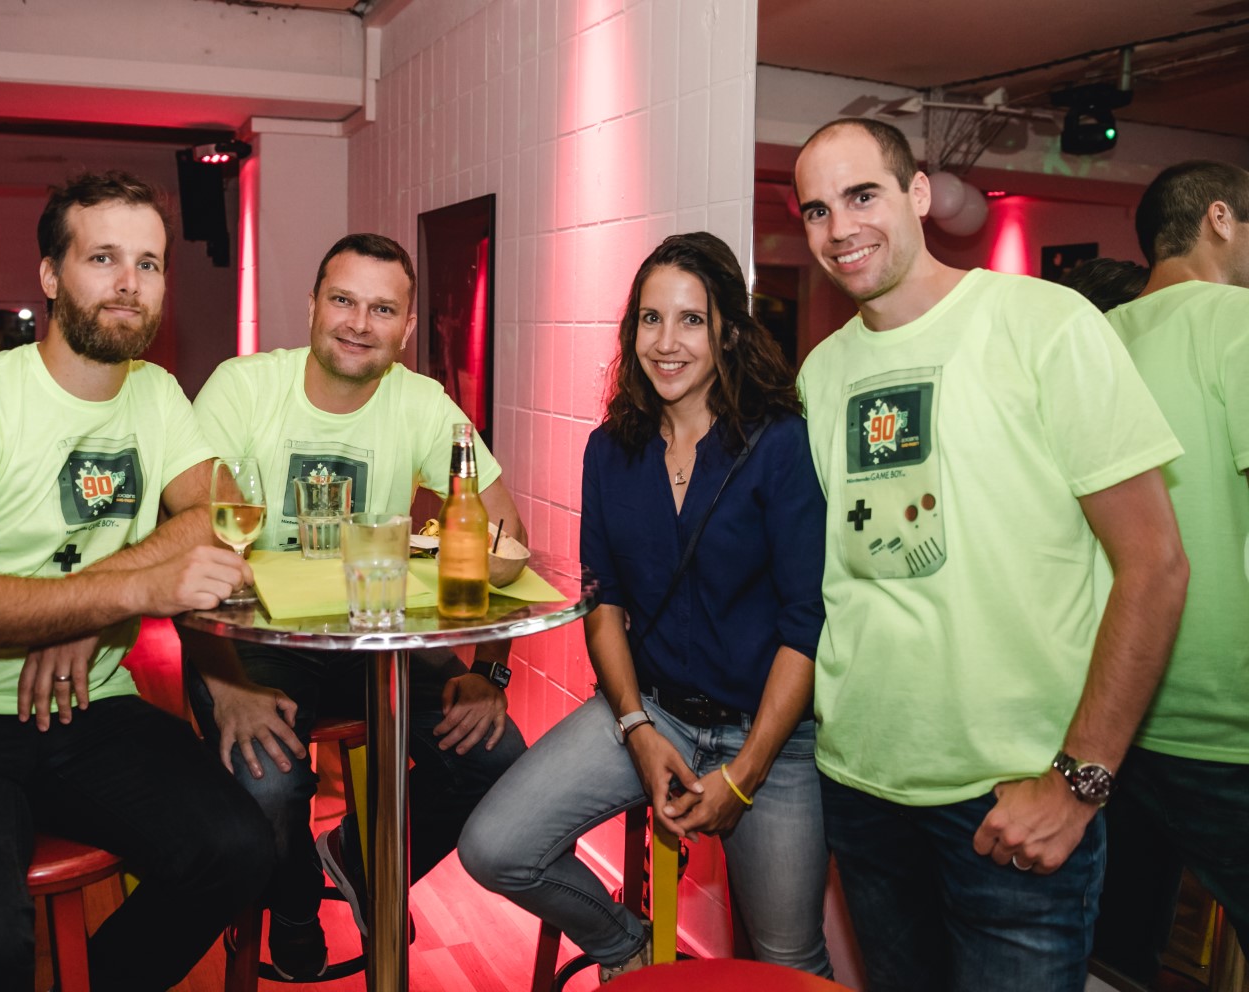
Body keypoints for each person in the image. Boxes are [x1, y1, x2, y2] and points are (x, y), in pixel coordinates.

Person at [0, 171, 274, 992]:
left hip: (90, 705)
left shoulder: (156, 395)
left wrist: (82, 613)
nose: (128, 282)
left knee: (240, 852)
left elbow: (226, 514)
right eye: (102, 258)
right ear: (49, 275)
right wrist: (132, 591)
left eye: (149, 264)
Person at [793, 118, 1189, 992]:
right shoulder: (820, 375)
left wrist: (1079, 783)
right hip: (861, 787)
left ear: (919, 193)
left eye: (863, 195)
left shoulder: (1043, 323)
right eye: (817, 210)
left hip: (1012, 799)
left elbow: (1156, 564)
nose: (840, 228)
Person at [458, 232, 832, 981]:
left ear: (728, 330)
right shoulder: (610, 450)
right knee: (495, 846)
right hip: (650, 710)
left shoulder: (779, 443)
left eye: (691, 320)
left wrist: (745, 774)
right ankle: (626, 945)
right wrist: (634, 726)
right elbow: (603, 603)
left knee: (788, 960)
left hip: (768, 734)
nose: (666, 343)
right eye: (650, 319)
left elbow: (805, 624)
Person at [185, 232, 528, 980]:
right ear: (312, 304)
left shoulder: (422, 403)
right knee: (270, 784)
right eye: (343, 300)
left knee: (499, 760)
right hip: (254, 644)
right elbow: (186, 553)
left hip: (374, 639)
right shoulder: (242, 388)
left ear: (406, 328)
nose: (358, 323)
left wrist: (489, 673)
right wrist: (224, 685)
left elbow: (506, 540)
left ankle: (360, 860)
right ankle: (294, 903)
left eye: (382, 309)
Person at [1092, 160, 1249, 984]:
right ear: (1219, 218)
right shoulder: (1239, 321)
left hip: (1109, 713)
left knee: (1114, 958)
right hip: (1229, 719)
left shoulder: (1094, 340)